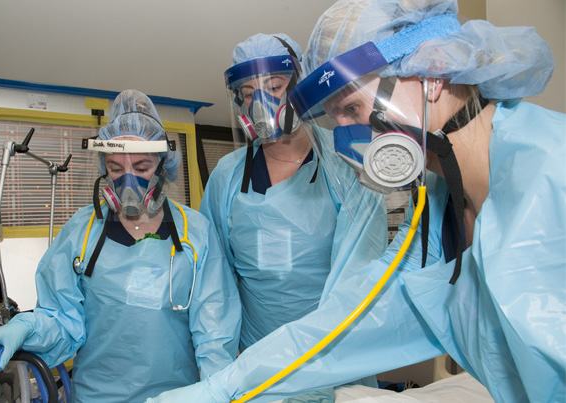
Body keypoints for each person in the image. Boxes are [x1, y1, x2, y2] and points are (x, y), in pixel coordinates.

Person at [147, 1, 565, 402]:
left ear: (432, 75)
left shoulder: (553, 173)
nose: (346, 139)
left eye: (352, 109)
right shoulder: (435, 211)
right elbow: (347, 319)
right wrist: (223, 387)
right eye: (335, 118)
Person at [0, 89, 242, 402]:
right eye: (116, 169)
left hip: (177, 396)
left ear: (163, 167)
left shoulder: (196, 233)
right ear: (104, 169)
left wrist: (214, 394)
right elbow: (62, 321)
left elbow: (215, 338)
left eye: (141, 169)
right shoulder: (82, 232)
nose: (129, 183)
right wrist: (28, 328)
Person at [200, 33, 388, 400]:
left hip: (334, 359)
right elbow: (214, 280)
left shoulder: (345, 163)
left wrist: (317, 361)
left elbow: (358, 278)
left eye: (274, 87)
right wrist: (222, 370)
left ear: (300, 88)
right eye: (250, 94)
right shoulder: (227, 175)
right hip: (256, 362)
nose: (261, 104)